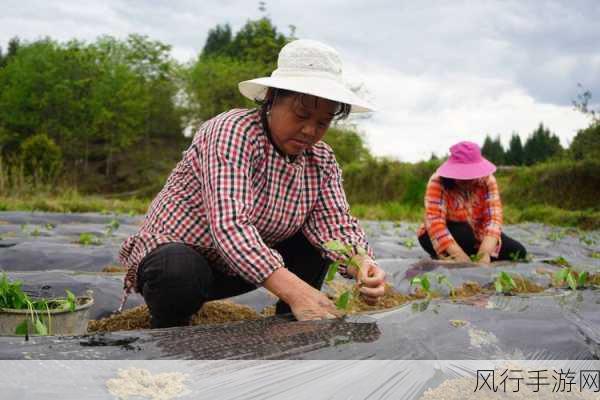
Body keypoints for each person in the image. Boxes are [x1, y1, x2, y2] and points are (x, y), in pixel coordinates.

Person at [118, 39, 386, 328]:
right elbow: (229, 225)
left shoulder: (320, 159)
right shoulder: (233, 132)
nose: (310, 130)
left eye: (322, 123)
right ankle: (170, 331)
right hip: (183, 261)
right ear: (272, 98)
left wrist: (362, 263)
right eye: (301, 115)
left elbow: (334, 223)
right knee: (176, 269)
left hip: (241, 268)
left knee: (316, 243)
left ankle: (293, 326)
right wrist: (296, 290)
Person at [417, 141, 527, 264]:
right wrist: (458, 255)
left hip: (477, 233)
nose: (466, 180)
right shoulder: (438, 181)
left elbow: (494, 219)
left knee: (518, 251)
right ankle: (448, 254)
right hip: (445, 234)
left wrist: (484, 254)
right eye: (462, 176)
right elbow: (435, 223)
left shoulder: (487, 181)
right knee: (464, 234)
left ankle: (471, 253)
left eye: (470, 176)